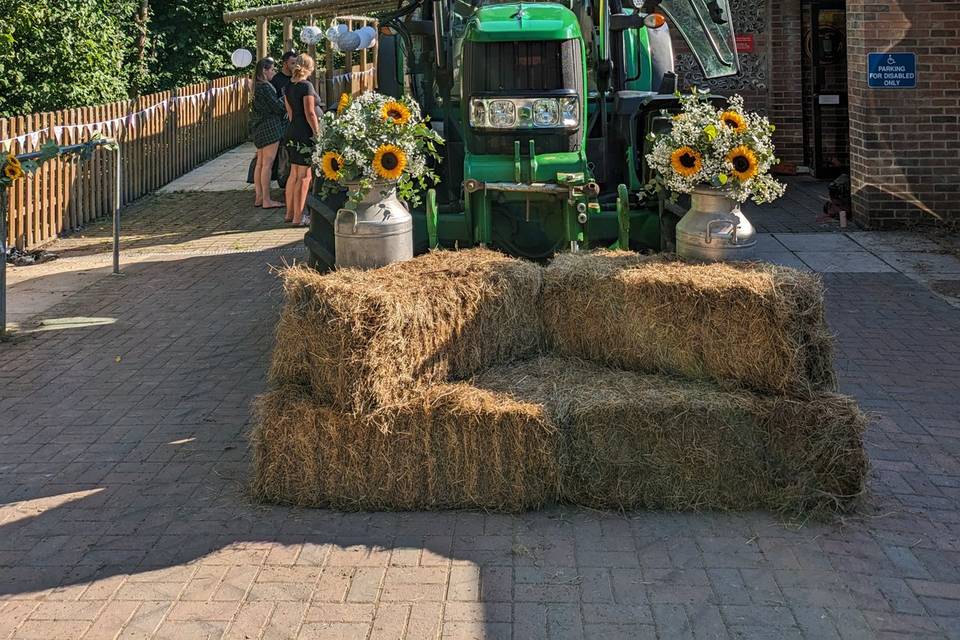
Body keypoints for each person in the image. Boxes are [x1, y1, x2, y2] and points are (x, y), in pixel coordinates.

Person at [283, 54, 320, 226]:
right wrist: (317, 133)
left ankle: (289, 214)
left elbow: (290, 113)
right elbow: (310, 113)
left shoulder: (288, 86)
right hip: (305, 132)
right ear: (309, 68)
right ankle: (299, 217)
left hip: (292, 130)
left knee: (294, 174)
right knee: (305, 176)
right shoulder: (306, 86)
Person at [249, 58, 287, 209]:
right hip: (270, 128)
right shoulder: (265, 87)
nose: (273, 72)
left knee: (260, 164)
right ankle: (266, 199)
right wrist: (284, 100)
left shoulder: (255, 86)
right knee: (267, 164)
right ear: (264, 70)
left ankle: (259, 197)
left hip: (258, 128)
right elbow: (277, 107)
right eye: (271, 69)